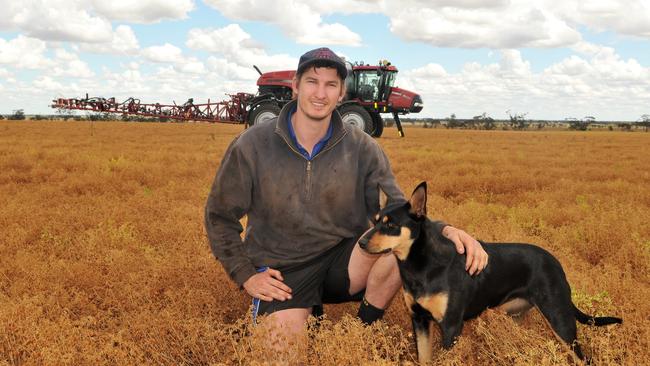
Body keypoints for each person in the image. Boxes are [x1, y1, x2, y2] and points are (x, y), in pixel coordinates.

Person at [204, 47, 488, 339]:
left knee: (402, 247)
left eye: (331, 85)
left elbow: (399, 212)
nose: (320, 93)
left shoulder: (362, 147)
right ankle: (303, 309)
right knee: (280, 356)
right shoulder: (252, 145)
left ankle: (361, 331)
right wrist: (247, 275)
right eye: (312, 82)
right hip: (283, 270)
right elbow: (219, 216)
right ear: (296, 86)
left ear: (341, 93)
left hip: (344, 261)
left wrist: (446, 230)